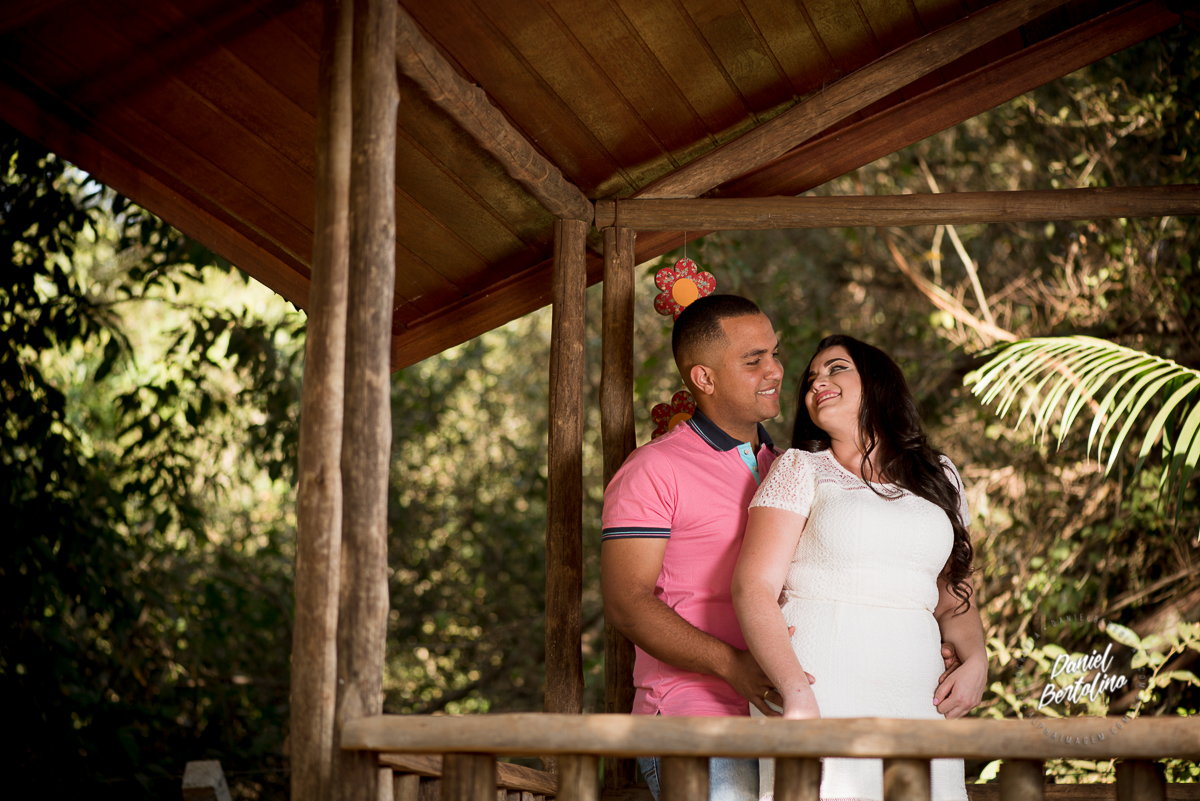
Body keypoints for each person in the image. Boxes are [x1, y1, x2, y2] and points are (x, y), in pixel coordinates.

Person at [731, 334, 987, 801]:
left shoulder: (940, 474)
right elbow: (753, 588)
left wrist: (977, 661)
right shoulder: (798, 468)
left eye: (836, 369)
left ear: (878, 382)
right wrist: (795, 692)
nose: (818, 383)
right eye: (811, 379)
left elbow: (954, 595)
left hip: (916, 683)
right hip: (821, 676)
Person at [601, 294, 786, 801]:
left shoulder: (788, 465)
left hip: (784, 720)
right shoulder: (653, 469)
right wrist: (733, 666)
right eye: (754, 360)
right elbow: (625, 602)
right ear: (704, 378)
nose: (775, 370)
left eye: (774, 353)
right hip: (693, 720)